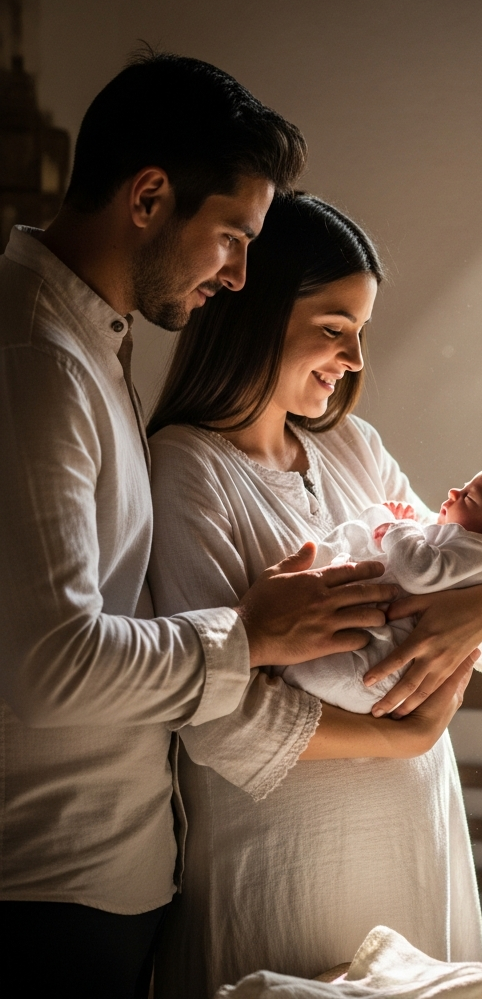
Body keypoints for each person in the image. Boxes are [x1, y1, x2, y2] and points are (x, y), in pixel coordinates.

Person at [0, 52, 400, 998]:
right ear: (148, 197)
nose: (241, 273)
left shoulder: (89, 343)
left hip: (107, 873)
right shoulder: (38, 360)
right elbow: (49, 667)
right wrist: (251, 634)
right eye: (231, 235)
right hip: (49, 886)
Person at [145, 193, 482, 996]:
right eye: (334, 328)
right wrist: (402, 738)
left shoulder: (350, 446)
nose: (353, 359)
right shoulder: (185, 467)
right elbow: (216, 719)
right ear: (256, 312)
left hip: (414, 837)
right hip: (288, 860)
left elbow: (477, 599)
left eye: (361, 334)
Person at [280, 467, 482, 713]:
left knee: (290, 672)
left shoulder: (481, 551)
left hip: (371, 669)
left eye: (469, 497)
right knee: (294, 671)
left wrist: (401, 527)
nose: (454, 492)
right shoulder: (476, 555)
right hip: (377, 672)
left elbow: (416, 571)